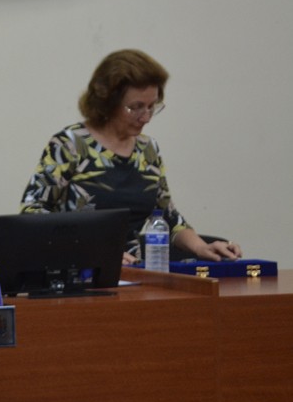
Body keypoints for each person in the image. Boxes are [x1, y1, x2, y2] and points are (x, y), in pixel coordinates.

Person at [19, 49, 242, 265]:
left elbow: (168, 216)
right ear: (108, 101)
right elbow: (33, 212)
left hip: (134, 271)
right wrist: (92, 250)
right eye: (136, 107)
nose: (146, 117)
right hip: (78, 271)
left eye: (152, 106)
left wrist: (202, 248)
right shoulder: (70, 144)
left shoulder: (147, 150)